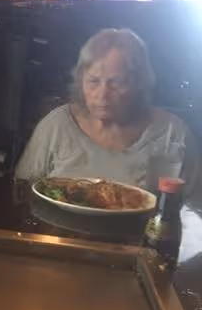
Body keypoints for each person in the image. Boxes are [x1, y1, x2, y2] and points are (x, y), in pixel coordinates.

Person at [15, 29, 198, 194]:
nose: (102, 94)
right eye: (93, 81)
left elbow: (195, 210)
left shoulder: (173, 134)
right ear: (81, 82)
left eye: (116, 82)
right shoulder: (56, 125)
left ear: (139, 84)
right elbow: (21, 190)